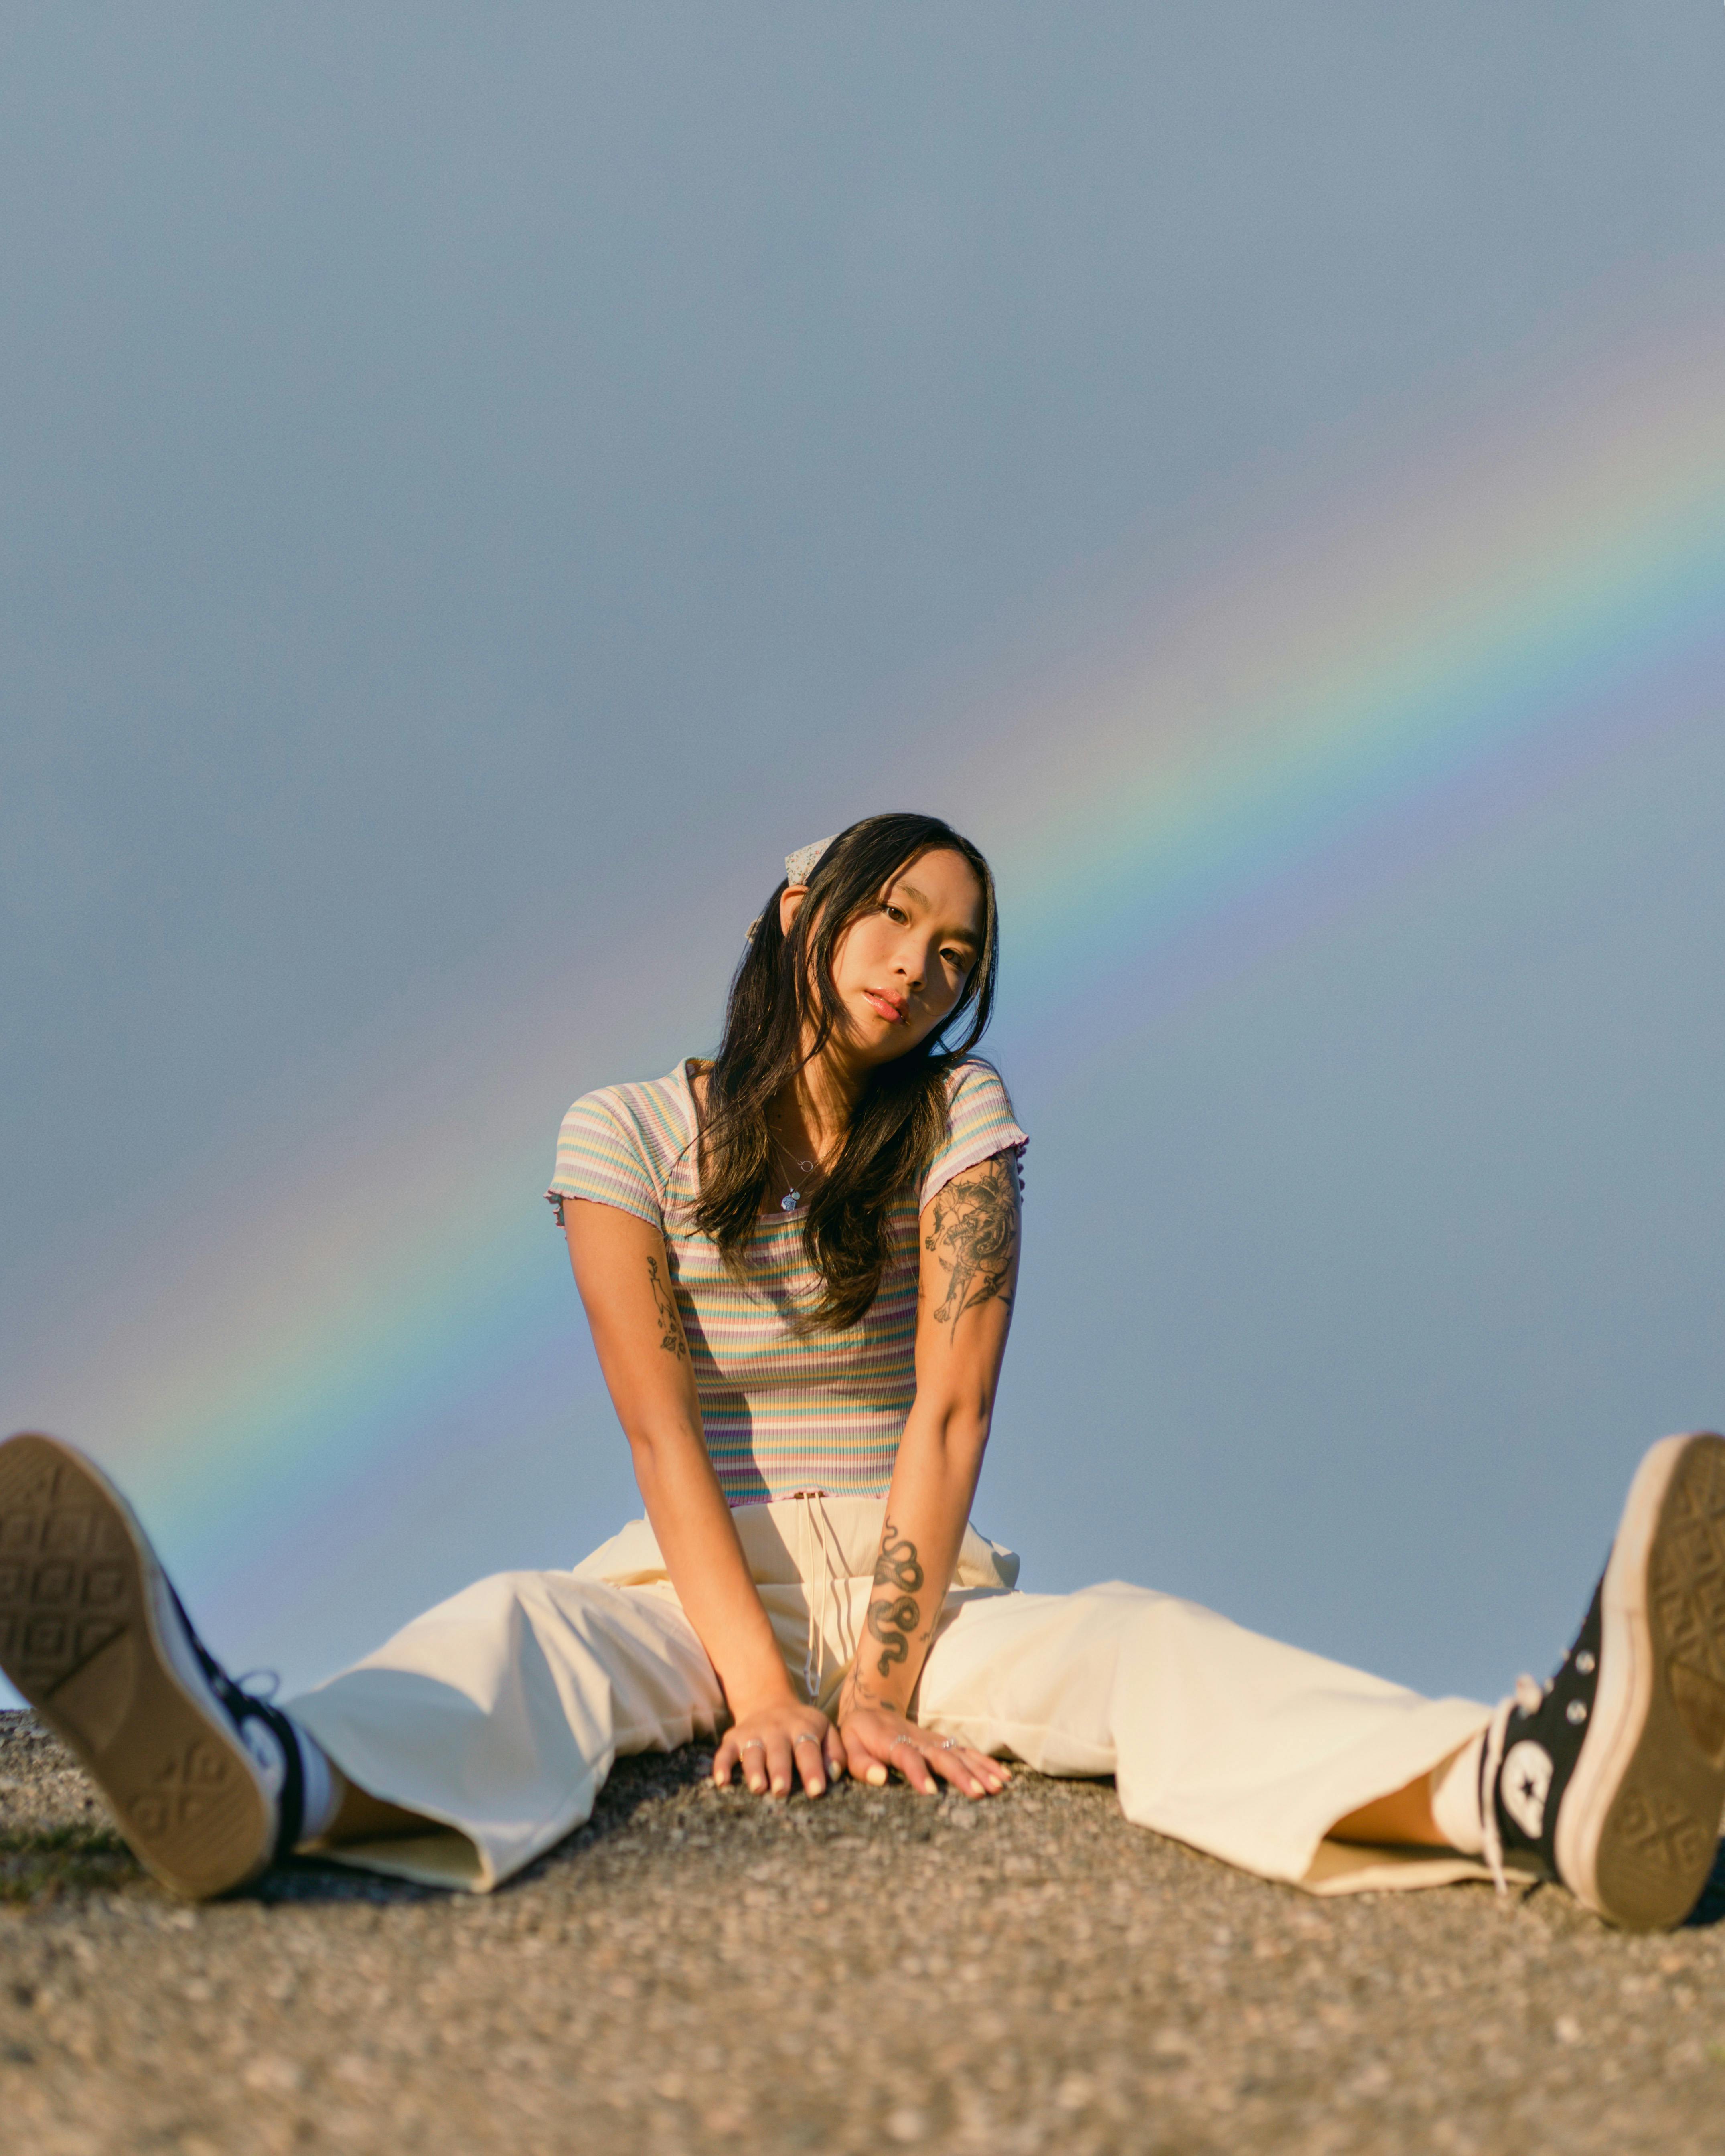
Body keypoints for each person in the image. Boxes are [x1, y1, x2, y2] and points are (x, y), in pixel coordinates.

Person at [2, 811, 1722, 1929]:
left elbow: (952, 1412)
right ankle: (263, 1773)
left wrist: (879, 1682)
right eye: (894, 915)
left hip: (924, 1583)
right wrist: (760, 1694)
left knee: (1141, 1653)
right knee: (525, 1632)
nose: (919, 965)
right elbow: (658, 1431)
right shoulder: (619, 1131)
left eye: (956, 953)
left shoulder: (964, 1120)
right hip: (695, 1581)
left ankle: (1519, 1784)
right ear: (799, 906)